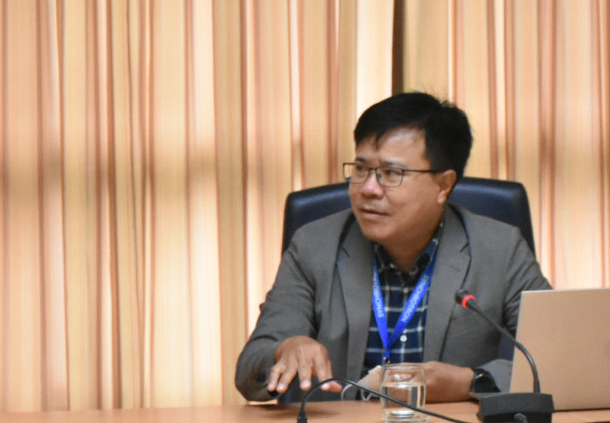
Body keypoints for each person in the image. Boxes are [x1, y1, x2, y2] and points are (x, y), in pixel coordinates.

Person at [235, 91, 551, 403]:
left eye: (391, 173)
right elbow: (250, 369)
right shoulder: (314, 245)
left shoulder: (500, 249)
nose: (368, 188)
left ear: (443, 185)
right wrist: (285, 348)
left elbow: (557, 361)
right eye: (361, 169)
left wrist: (469, 383)